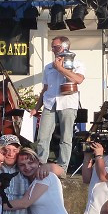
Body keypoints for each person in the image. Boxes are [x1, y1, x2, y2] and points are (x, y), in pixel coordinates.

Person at [34, 36, 85, 172]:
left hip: (67, 103)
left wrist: (60, 69)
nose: (53, 50)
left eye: (55, 47)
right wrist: (36, 108)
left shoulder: (77, 63)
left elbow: (78, 80)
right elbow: (45, 89)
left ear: (65, 47)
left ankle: (62, 168)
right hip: (50, 103)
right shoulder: (48, 67)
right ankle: (40, 164)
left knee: (66, 137)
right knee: (42, 136)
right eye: (52, 47)